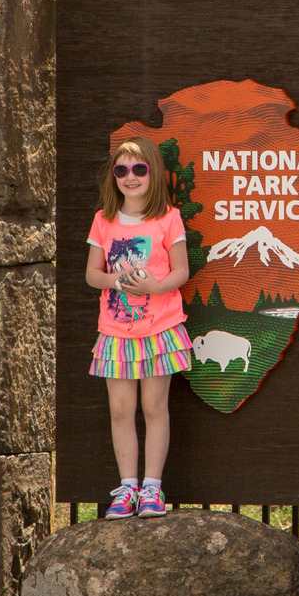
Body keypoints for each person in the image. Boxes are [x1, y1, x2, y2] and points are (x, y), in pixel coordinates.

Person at [83, 140, 194, 519]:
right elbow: (91, 274)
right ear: (114, 178)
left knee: (154, 406)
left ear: (154, 174)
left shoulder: (168, 217)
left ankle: (152, 488)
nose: (130, 177)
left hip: (159, 327)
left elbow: (181, 270)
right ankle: (126, 488)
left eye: (139, 169)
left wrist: (156, 287)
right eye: (122, 171)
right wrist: (117, 281)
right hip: (115, 331)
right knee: (120, 409)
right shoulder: (104, 220)